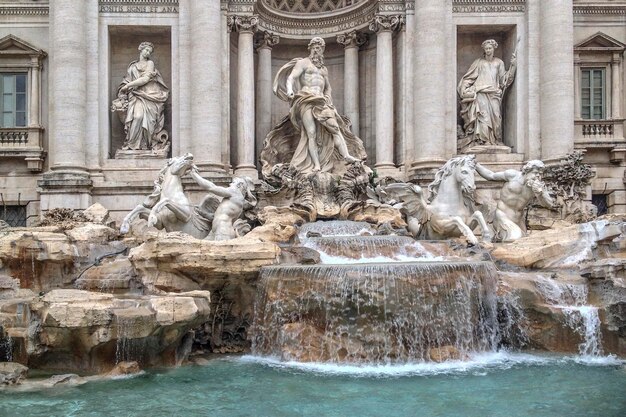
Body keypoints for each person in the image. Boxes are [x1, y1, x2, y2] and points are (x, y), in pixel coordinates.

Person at [265, 37, 365, 175]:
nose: (317, 50)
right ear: (310, 48)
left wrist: (328, 98)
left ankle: (346, 155)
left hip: (322, 102)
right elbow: (291, 78)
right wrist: (289, 90)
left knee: (335, 128)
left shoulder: (323, 69)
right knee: (310, 133)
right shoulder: (303, 63)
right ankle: (316, 165)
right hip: (306, 99)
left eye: (320, 48)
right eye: (315, 47)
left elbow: (328, 88)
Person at [475, 160, 556, 241]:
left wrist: (540, 194)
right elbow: (490, 176)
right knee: (515, 238)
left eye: (540, 174)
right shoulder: (512, 175)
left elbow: (549, 204)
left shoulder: (539, 187)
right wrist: (476, 165)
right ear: (527, 171)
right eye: (535, 173)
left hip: (519, 220)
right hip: (502, 216)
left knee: (524, 242)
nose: (538, 176)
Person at [458, 39, 516, 149]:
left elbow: (504, 80)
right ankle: (484, 141)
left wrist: (513, 67)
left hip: (494, 93)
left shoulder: (499, 63)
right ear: (484, 50)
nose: (488, 50)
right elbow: (469, 78)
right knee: (483, 117)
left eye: (490, 48)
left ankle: (495, 139)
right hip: (481, 92)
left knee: (496, 117)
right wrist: (464, 88)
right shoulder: (478, 62)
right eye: (486, 49)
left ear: (494, 49)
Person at [115, 41, 169, 150]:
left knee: (147, 122)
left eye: (150, 51)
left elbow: (145, 79)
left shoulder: (150, 64)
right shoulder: (133, 66)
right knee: (137, 117)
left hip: (150, 95)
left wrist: (129, 85)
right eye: (146, 50)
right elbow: (127, 80)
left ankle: (145, 145)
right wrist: (123, 88)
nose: (148, 52)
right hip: (136, 96)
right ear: (141, 49)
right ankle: (132, 145)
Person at [190, 166, 256, 241]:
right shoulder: (237, 200)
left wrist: (194, 175)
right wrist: (203, 213)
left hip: (223, 230)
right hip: (221, 230)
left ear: (239, 185)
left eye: (233, 182)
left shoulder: (235, 192)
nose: (231, 184)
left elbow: (211, 187)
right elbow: (221, 215)